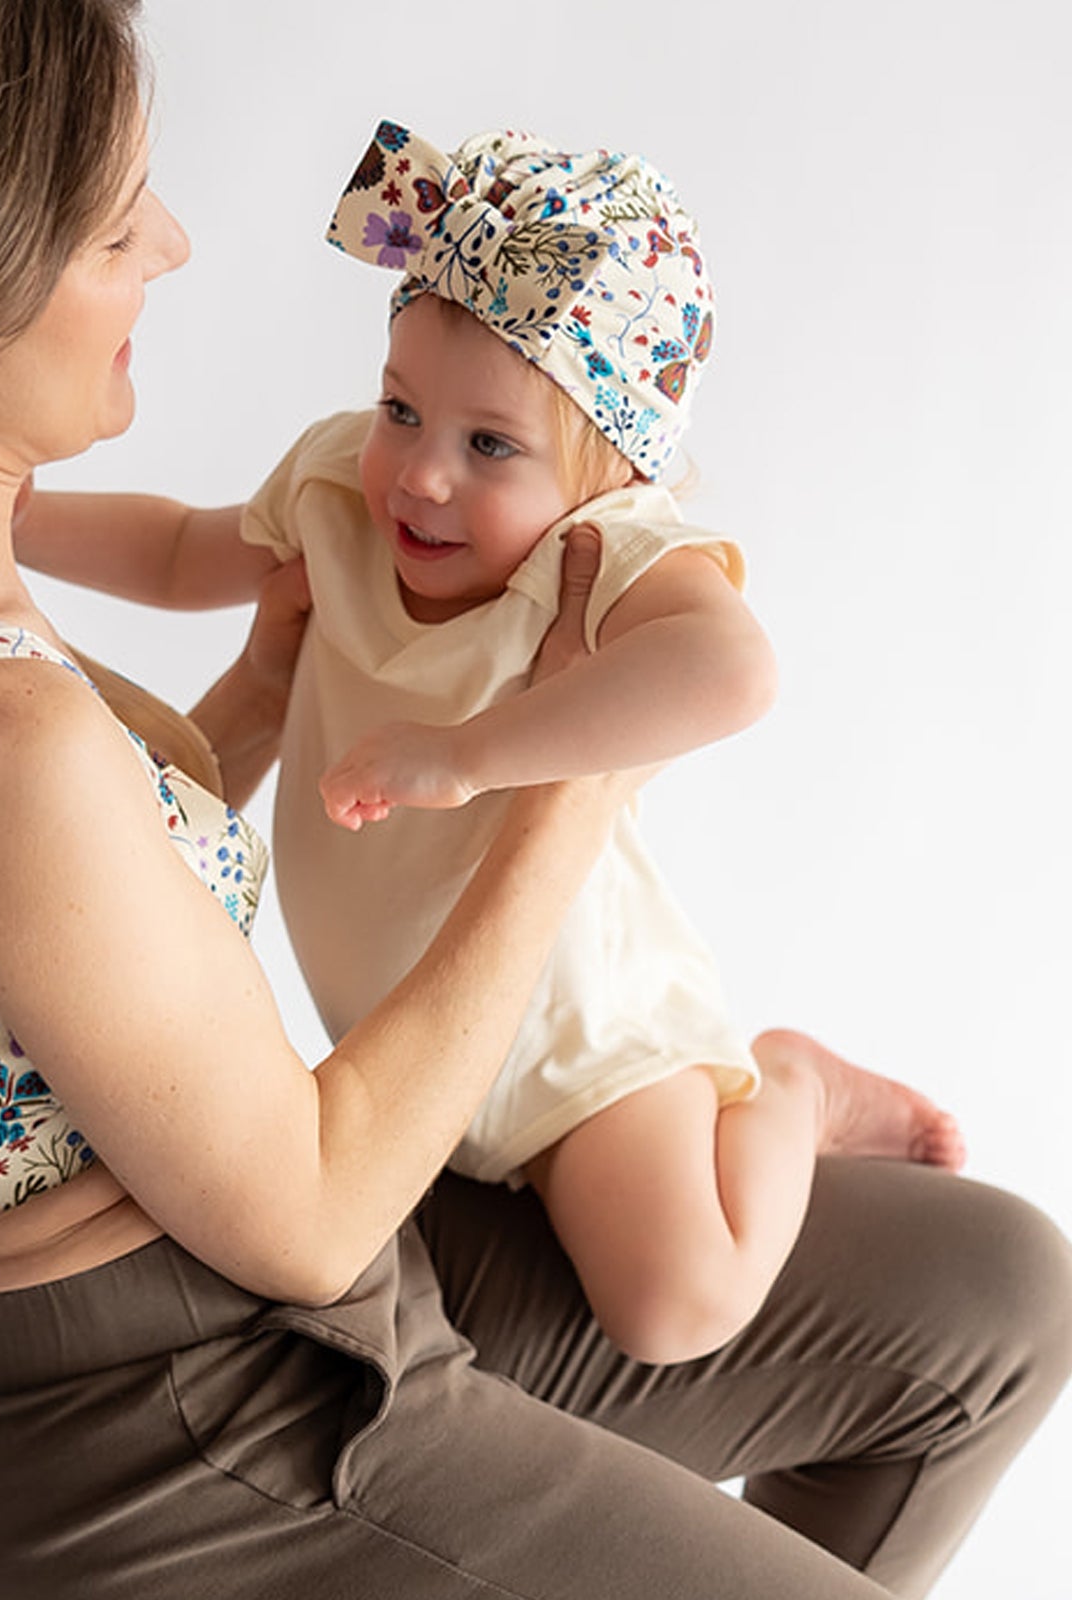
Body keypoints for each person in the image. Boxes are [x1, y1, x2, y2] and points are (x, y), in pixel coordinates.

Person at [0, 6, 1069, 1598]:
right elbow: (306, 1213)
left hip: (290, 1311)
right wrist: (559, 789)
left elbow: (66, 928)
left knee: (999, 1293)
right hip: (206, 1422)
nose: (169, 245)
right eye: (116, 224)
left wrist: (258, 690)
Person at [231, 121, 968, 1365]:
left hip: (582, 1044)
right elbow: (178, 547)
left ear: (611, 472)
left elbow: (735, 670)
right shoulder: (335, 502)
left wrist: (469, 753)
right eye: (400, 409)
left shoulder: (596, 555)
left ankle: (788, 1086)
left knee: (674, 1306)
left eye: (490, 446)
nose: (420, 477)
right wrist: (0, 506)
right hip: (419, 1049)